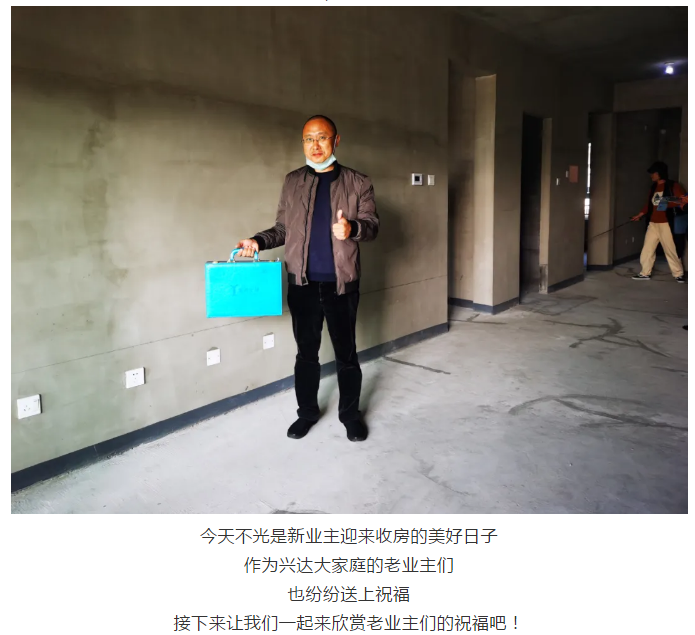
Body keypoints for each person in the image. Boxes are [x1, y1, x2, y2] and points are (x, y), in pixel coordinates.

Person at [234, 115, 379, 442]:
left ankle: (350, 416)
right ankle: (307, 413)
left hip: (342, 285)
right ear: (303, 143)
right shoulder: (293, 181)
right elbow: (283, 228)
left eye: (322, 138)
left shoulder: (358, 182)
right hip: (302, 285)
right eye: (308, 139)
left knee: (347, 355)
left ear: (335, 141)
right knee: (306, 355)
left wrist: (352, 228)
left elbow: (372, 226)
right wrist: (257, 241)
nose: (315, 145)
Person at [630, 161, 685, 282]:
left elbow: (682, 200)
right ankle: (645, 273)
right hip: (653, 223)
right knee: (647, 249)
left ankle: (678, 274)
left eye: (653, 173)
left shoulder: (673, 185)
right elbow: (649, 205)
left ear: (660, 173)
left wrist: (666, 202)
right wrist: (639, 215)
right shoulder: (653, 187)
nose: (651, 175)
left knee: (670, 250)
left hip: (666, 223)